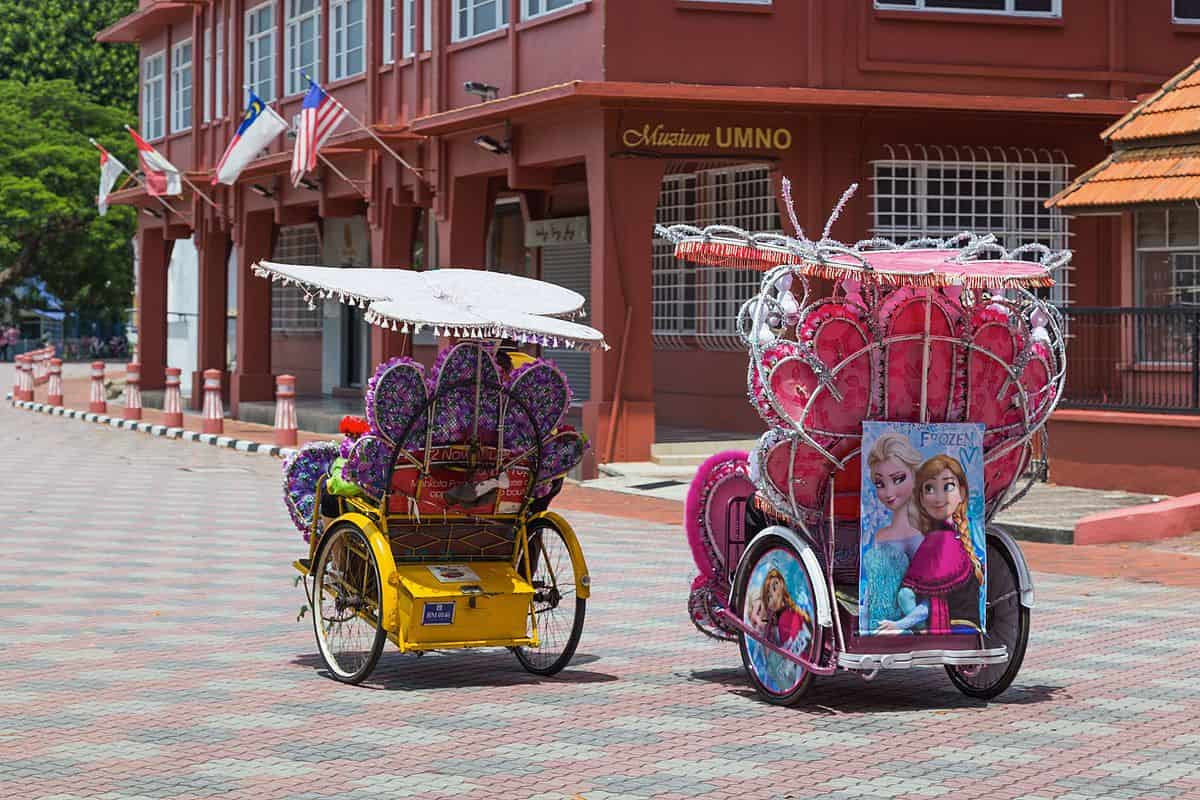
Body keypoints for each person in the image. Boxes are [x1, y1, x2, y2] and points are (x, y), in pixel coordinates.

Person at [900, 455, 985, 635]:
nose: (939, 497)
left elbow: (914, 596)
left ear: (962, 493)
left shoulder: (940, 539)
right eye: (930, 488)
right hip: (971, 627)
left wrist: (909, 625)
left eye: (948, 487)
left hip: (953, 629)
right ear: (921, 498)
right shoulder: (954, 537)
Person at [862, 433, 928, 634]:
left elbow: (929, 601)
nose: (888, 492)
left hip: (899, 630)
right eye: (880, 483)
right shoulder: (880, 534)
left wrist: (900, 626)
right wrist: (864, 627)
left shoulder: (916, 538)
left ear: (915, 477)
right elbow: (870, 591)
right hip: (874, 627)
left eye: (898, 479)